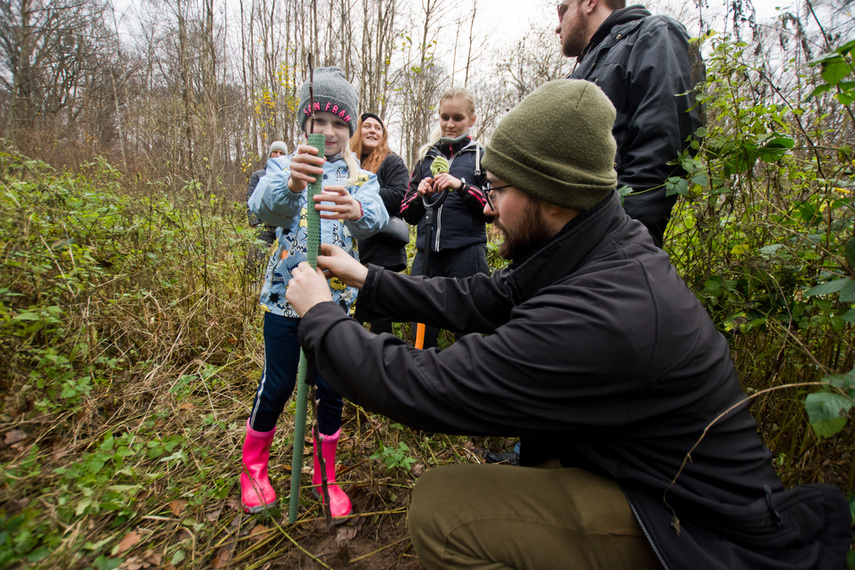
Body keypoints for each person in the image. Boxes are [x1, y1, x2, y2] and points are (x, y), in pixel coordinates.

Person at [284, 80, 851, 569]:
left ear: (551, 194)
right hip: (651, 484)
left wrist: (322, 316)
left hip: (702, 540)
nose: (490, 206)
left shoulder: (606, 310)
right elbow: (487, 296)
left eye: (500, 189)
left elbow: (431, 387)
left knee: (443, 509)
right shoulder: (597, 245)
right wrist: (368, 279)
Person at [242, 67, 388, 520]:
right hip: (286, 302)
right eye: (317, 121)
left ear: (349, 130)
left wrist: (357, 208)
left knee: (332, 387)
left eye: (338, 123)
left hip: (336, 306)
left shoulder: (359, 176)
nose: (327, 132)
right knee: (279, 383)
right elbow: (261, 205)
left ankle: (327, 476)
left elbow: (376, 219)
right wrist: (291, 185)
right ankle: (254, 470)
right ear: (304, 123)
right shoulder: (286, 166)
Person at [557, 0, 704, 248]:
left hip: (608, 248)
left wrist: (613, 237)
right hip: (565, 244)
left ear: (590, 3)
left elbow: (663, 150)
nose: (557, 27)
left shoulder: (653, 35)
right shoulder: (578, 73)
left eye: (562, 10)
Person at [400, 86, 491, 349]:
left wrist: (461, 186)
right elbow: (407, 212)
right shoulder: (425, 158)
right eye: (444, 117)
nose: (449, 124)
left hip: (467, 253)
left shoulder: (481, 158)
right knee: (422, 329)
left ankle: (467, 383)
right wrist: (420, 194)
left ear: (471, 120)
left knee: (468, 328)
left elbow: (491, 209)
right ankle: (420, 381)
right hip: (427, 256)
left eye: (457, 118)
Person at [349, 112, 410, 335]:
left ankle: (381, 364)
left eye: (378, 127)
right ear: (358, 132)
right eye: (367, 126)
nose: (372, 130)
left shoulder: (391, 161)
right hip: (360, 251)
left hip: (385, 251)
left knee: (380, 318)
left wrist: (362, 195)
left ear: (383, 135)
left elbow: (399, 196)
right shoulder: (352, 163)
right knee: (361, 312)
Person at [247, 141, 289, 249]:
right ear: (270, 154)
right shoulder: (258, 176)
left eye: (281, 153)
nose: (278, 155)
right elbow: (250, 200)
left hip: (284, 228)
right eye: (275, 152)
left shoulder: (290, 177)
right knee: (257, 260)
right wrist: (255, 223)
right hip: (264, 227)